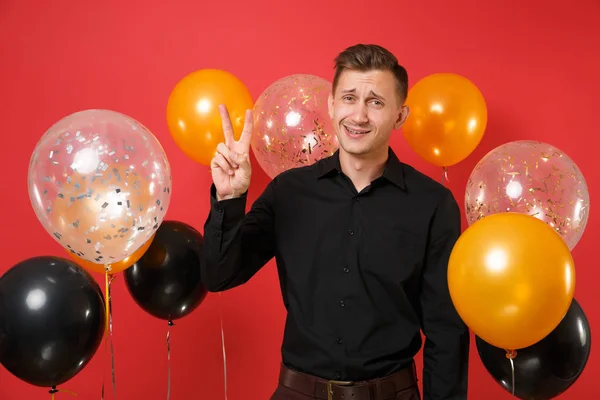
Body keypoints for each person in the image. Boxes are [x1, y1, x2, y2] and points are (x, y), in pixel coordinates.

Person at [202, 44, 470, 400]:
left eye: (375, 102)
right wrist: (229, 199)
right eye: (348, 98)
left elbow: (446, 332)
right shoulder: (289, 192)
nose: (358, 115)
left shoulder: (433, 205)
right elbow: (219, 275)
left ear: (400, 116)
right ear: (331, 105)